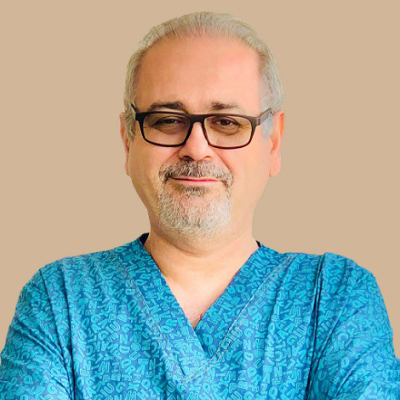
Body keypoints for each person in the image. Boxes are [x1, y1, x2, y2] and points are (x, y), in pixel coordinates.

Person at [0, 11, 399, 399]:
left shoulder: (335, 298)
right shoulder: (60, 301)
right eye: (167, 120)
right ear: (127, 140)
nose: (196, 148)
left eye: (226, 123)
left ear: (273, 143)